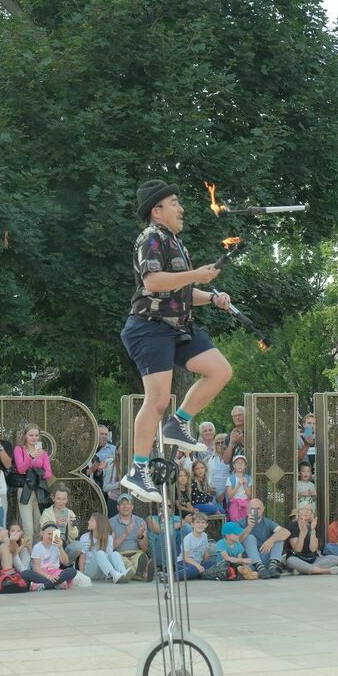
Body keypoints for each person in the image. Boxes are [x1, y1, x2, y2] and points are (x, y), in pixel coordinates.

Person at [119, 181, 235, 502]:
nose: (181, 208)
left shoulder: (175, 242)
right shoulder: (150, 238)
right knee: (157, 400)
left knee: (220, 371)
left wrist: (211, 298)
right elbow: (154, 282)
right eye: (174, 203)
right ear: (157, 211)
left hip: (180, 326)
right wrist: (196, 274)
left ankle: (178, 423)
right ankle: (138, 469)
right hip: (149, 326)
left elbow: (180, 291)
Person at [12, 424, 53, 536]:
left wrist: (36, 472)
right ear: (25, 435)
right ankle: (26, 552)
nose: (34, 438)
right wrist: (30, 457)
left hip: (39, 489)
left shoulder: (42, 452)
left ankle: (38, 551)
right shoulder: (19, 449)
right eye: (31, 435)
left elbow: (49, 474)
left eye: (36, 435)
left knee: (39, 525)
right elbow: (21, 469)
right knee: (28, 528)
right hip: (25, 489)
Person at [79, 511, 131, 583]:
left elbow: (109, 556)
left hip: (104, 572)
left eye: (91, 520)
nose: (88, 522)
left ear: (99, 524)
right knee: (100, 553)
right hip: (90, 571)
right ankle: (115, 575)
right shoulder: (85, 537)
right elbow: (82, 558)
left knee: (114, 554)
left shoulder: (109, 538)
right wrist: (82, 575)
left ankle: (123, 572)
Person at [25, 523, 78, 589]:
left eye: (53, 534)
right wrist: (49, 576)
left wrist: (60, 547)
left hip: (56, 572)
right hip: (42, 574)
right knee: (26, 573)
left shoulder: (57, 545)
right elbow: (37, 568)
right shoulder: (37, 547)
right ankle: (56, 583)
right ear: (42, 533)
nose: (51, 536)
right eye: (49, 534)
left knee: (72, 571)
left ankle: (44, 586)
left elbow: (65, 562)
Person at [174, 513, 213, 581]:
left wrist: (205, 564)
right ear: (192, 524)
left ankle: (199, 573)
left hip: (197, 562)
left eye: (203, 522)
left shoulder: (204, 536)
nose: (200, 525)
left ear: (206, 525)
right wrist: (197, 566)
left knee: (212, 564)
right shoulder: (188, 538)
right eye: (197, 522)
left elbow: (205, 553)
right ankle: (171, 576)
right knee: (194, 570)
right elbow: (185, 558)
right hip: (183, 562)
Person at [223, 455, 252, 523]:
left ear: (245, 466)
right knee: (235, 523)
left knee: (246, 523)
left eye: (242, 463)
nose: (240, 465)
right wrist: (238, 484)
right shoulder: (230, 478)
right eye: (237, 463)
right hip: (234, 504)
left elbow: (249, 495)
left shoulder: (248, 478)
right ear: (234, 465)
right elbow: (230, 495)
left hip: (245, 504)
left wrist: (244, 484)